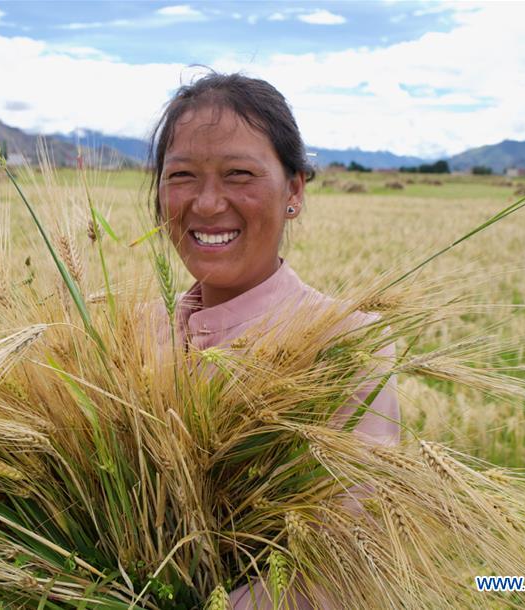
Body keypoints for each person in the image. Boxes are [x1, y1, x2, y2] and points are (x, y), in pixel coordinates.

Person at [147, 72, 399, 609]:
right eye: (183, 175)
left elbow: (348, 563)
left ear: (294, 190)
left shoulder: (344, 345)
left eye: (239, 174)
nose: (208, 204)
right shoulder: (129, 338)